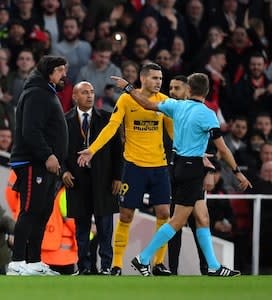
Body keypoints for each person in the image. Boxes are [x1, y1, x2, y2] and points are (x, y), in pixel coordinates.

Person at [110, 73, 251, 277]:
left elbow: (146, 104)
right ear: (207, 91)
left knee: (203, 217)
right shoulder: (208, 114)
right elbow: (224, 149)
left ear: (189, 90)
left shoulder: (175, 105)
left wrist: (128, 88)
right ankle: (143, 259)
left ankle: (213, 265)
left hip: (176, 166)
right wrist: (237, 172)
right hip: (192, 169)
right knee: (176, 221)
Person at [77, 63, 173, 276]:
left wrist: (192, 152)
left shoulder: (164, 102)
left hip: (159, 165)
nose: (158, 82)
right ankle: (118, 264)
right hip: (134, 166)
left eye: (160, 78)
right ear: (143, 78)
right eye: (154, 78)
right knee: (126, 215)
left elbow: (173, 133)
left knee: (165, 213)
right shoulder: (126, 99)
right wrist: (91, 150)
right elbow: (112, 127)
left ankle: (157, 263)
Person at [6, 55, 68, 276]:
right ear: (48, 71)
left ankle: (33, 261)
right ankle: (17, 262)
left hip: (45, 165)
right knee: (30, 210)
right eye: (60, 70)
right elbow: (30, 130)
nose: (64, 74)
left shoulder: (45, 92)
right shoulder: (36, 93)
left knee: (42, 212)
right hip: (34, 163)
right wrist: (48, 155)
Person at [62, 81, 123, 275]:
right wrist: (63, 171)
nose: (90, 96)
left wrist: (117, 177)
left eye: (92, 92)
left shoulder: (107, 119)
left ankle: (106, 266)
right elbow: (59, 150)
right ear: (75, 97)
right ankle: (84, 266)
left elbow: (117, 150)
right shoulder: (65, 120)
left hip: (104, 180)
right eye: (84, 92)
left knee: (105, 226)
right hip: (77, 181)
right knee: (82, 228)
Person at [166, 76, 208, 275]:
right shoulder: (169, 112)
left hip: (192, 174)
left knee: (198, 220)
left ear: (188, 91)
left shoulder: (199, 115)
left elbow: (209, 147)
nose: (172, 91)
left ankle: (206, 268)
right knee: (177, 222)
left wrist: (210, 171)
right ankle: (173, 270)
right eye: (170, 88)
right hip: (174, 175)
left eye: (177, 88)